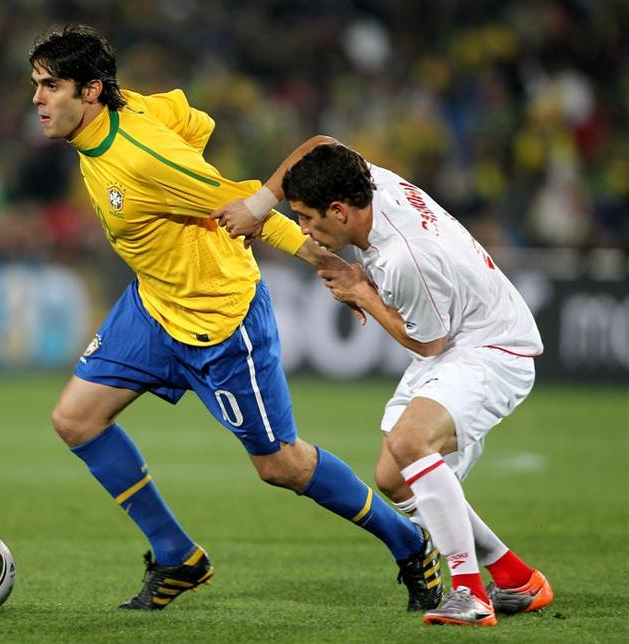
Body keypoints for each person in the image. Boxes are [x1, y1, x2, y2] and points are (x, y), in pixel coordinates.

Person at [28, 25, 443, 612]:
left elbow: (243, 203)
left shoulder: (142, 157)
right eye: (36, 85)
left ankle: (410, 543)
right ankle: (176, 556)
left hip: (220, 320)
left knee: (281, 465)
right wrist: (188, 164)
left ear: (91, 90)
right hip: (153, 306)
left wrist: (325, 261)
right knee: (75, 420)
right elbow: (192, 118)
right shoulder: (121, 120)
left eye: (51, 86)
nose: (38, 99)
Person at [214, 138, 554, 626]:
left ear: (339, 211)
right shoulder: (370, 181)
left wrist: (362, 293)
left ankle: (470, 593)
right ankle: (515, 576)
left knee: (411, 442)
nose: (304, 230)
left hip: (492, 348)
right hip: (464, 337)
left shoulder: (405, 258)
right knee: (393, 477)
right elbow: (321, 144)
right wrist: (259, 204)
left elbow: (429, 344)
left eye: (306, 218)